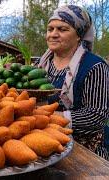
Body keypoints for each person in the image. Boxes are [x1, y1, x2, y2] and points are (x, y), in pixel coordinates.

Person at [38, 5, 109, 160]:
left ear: (79, 35)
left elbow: (95, 116)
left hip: (86, 153)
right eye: (50, 29)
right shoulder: (41, 65)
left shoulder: (94, 66)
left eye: (62, 29)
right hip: (44, 146)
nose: (53, 34)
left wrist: (45, 118)